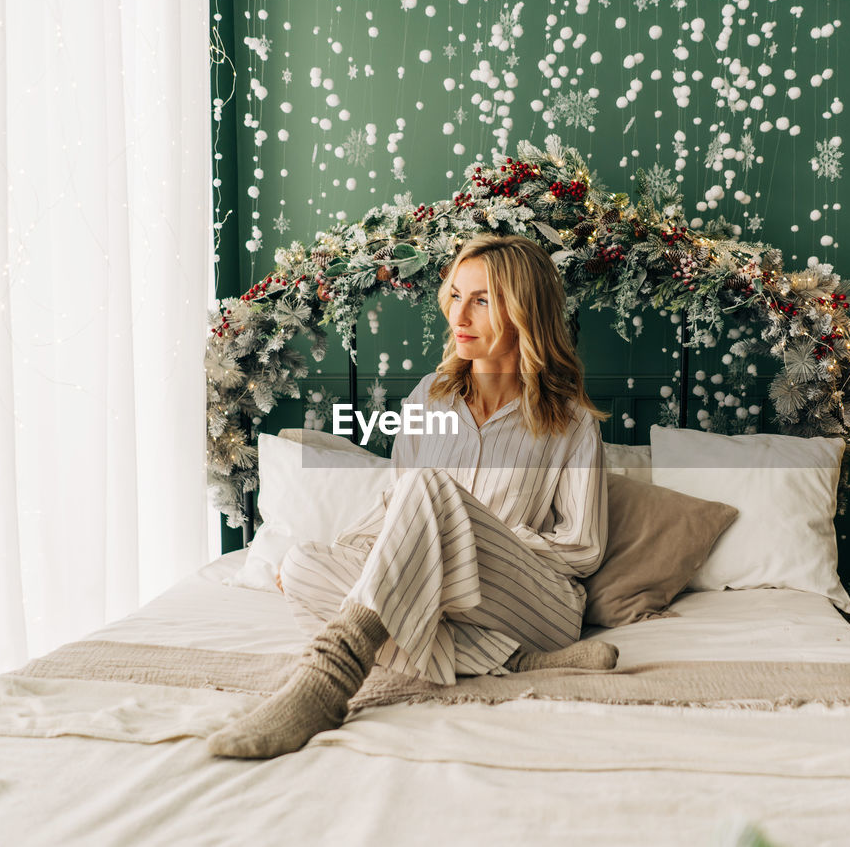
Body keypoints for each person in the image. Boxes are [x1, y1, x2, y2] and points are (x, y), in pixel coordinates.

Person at [208, 233, 613, 759]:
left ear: (523, 312)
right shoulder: (430, 396)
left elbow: (583, 548)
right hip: (456, 608)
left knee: (431, 489)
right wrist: (372, 552)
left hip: (537, 606)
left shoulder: (573, 423)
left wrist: (462, 539)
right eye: (455, 295)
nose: (459, 315)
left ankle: (331, 674)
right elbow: (395, 504)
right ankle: (509, 663)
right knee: (304, 564)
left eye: (482, 300)